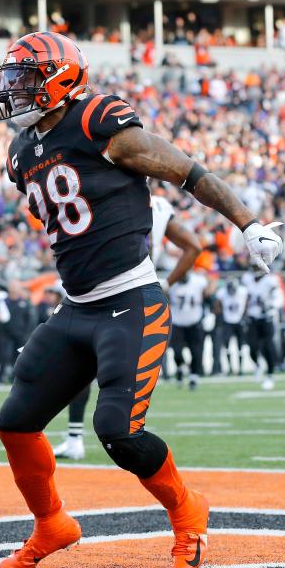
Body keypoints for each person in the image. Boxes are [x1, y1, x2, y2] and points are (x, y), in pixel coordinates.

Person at [0, 32, 282, 568]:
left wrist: (247, 223)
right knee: (15, 421)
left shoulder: (99, 120)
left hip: (130, 299)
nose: (16, 90)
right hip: (76, 306)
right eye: (14, 79)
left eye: (27, 78)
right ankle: (51, 523)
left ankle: (187, 513)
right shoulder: (21, 150)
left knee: (118, 431)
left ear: (60, 78)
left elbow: (186, 170)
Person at [54, 195, 201, 460]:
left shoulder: (105, 191)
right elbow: (193, 246)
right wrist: (164, 284)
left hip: (107, 292)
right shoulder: (157, 203)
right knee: (102, 370)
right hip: (134, 295)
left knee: (88, 367)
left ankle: (82, 437)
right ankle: (81, 436)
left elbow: (193, 247)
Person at [169, 270, 215, 389]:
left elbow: (210, 290)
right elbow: (165, 298)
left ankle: (194, 377)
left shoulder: (198, 281)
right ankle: (180, 368)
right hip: (177, 322)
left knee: (196, 351)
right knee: (177, 351)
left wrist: (210, 283)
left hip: (195, 322)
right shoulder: (172, 283)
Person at [243, 269, 282, 390]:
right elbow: (245, 298)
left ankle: (270, 375)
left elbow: (279, 299)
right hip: (253, 318)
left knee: (268, 346)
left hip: (267, 318)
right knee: (252, 347)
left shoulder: (271, 281)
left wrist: (271, 306)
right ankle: (258, 365)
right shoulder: (247, 279)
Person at [213, 279, 248, 375]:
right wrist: (220, 315)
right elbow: (217, 305)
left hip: (239, 320)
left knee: (241, 346)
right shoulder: (222, 293)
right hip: (227, 321)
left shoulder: (243, 291)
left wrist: (245, 316)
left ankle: (240, 369)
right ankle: (230, 368)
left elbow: (247, 303)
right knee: (227, 345)